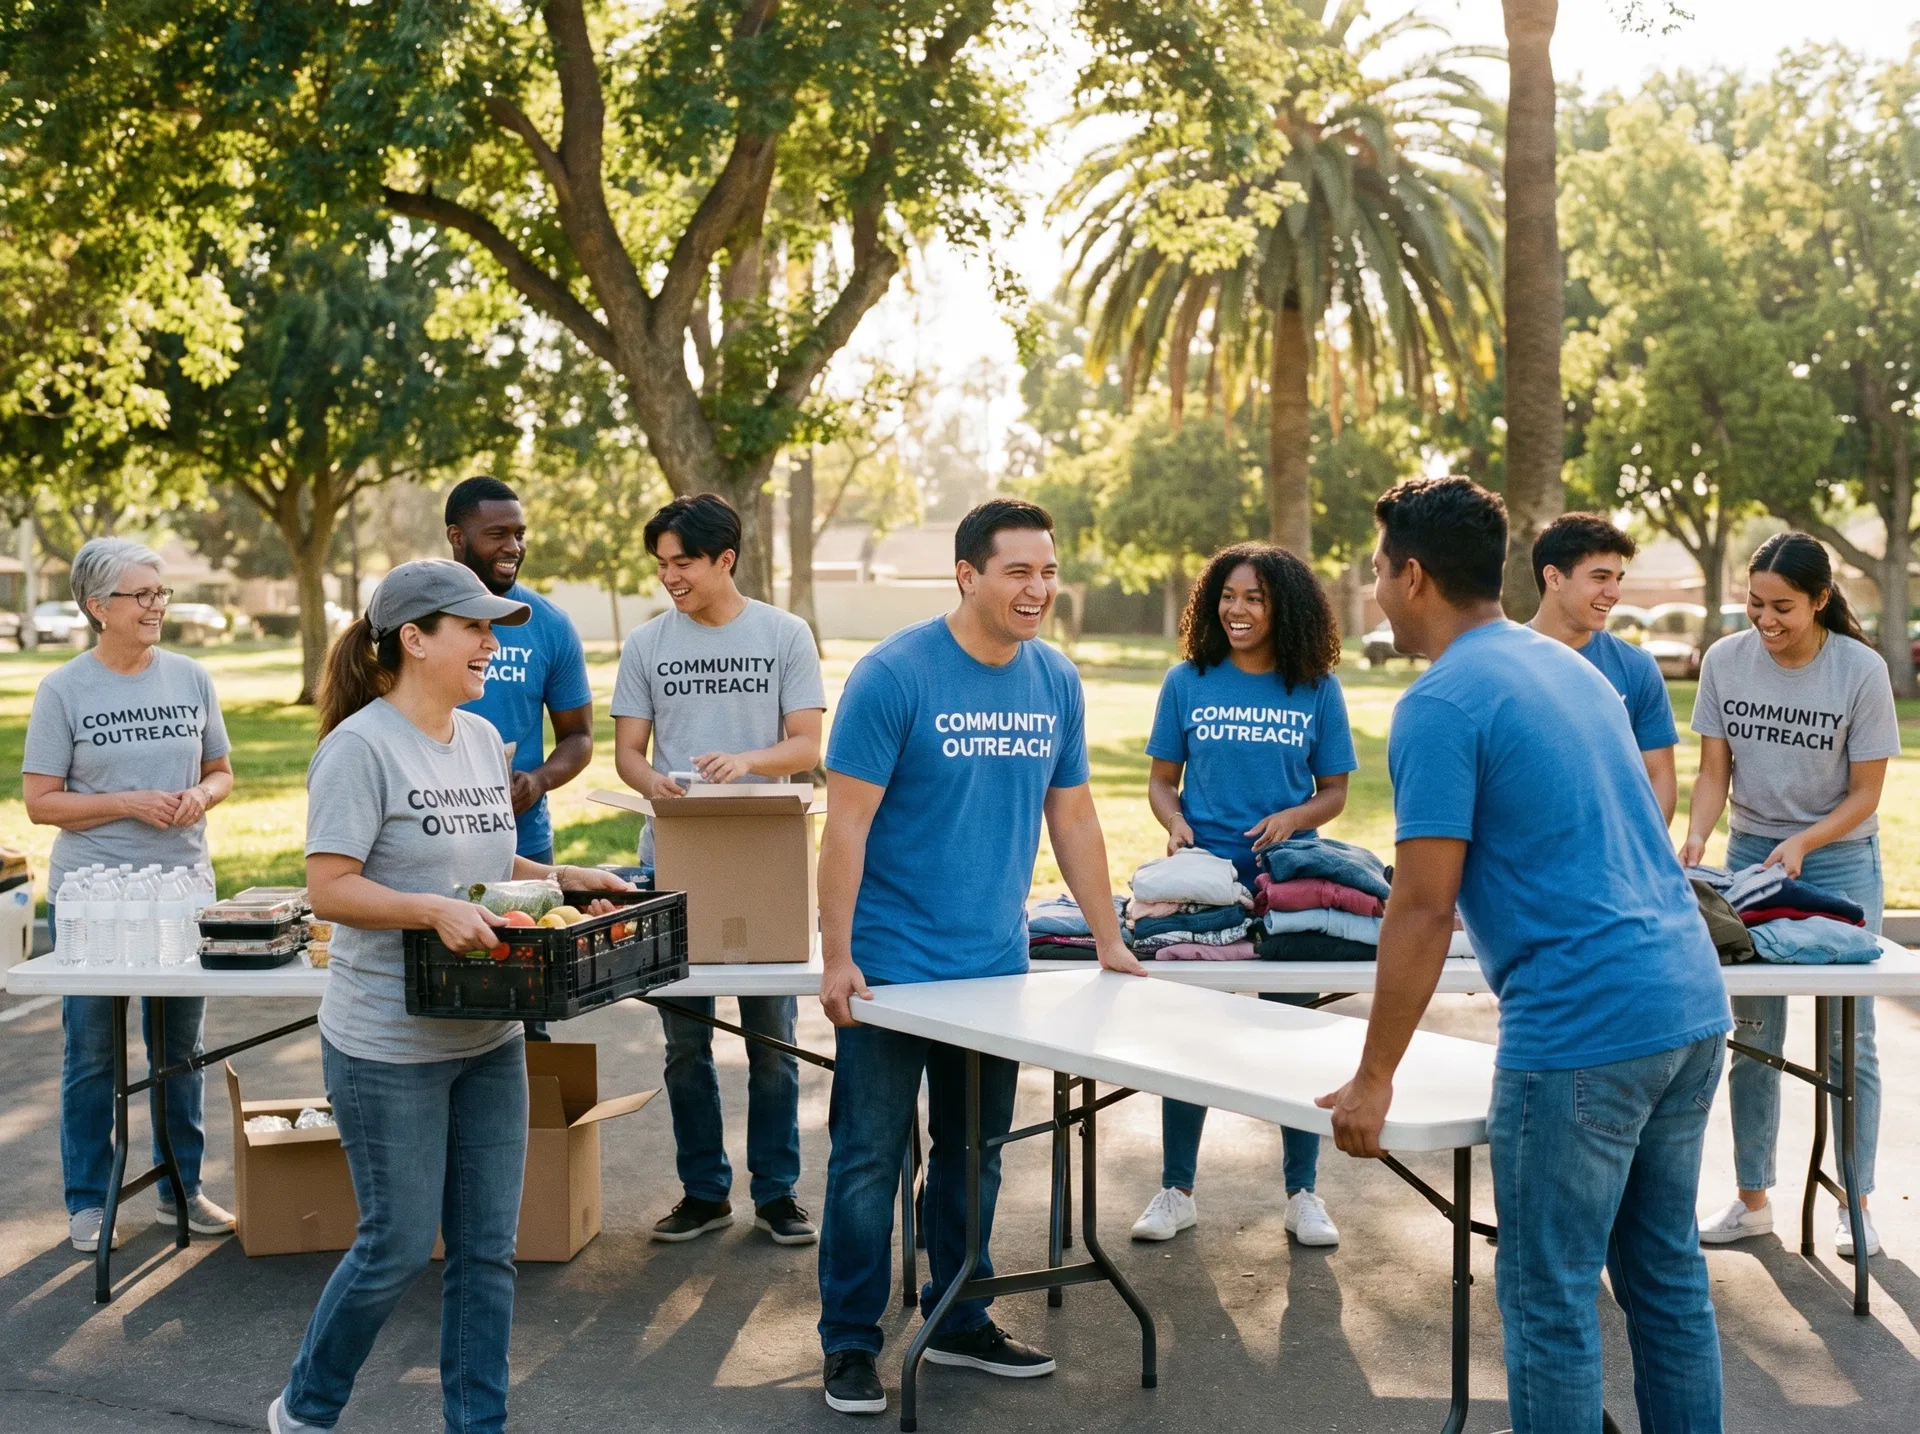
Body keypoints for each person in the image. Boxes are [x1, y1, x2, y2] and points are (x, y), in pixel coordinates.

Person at [1317, 478, 1731, 1434]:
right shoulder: (1570, 669)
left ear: (1412, 576)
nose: (1376, 590)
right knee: (1665, 1278)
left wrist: (1373, 1076)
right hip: (1688, 1004)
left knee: (1548, 1296)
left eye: (1378, 572)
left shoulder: (1442, 703)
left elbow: (1421, 909)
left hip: (1585, 1026)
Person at [272, 560, 627, 1434]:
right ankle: (306, 1410)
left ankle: (478, 1425)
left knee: (486, 1251)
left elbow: (485, 866)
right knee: (394, 1247)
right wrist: (427, 911)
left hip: (488, 1034)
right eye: (472, 627)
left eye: (492, 627)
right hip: (386, 1043)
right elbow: (330, 888)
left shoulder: (476, 738)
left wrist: (558, 875)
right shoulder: (357, 748)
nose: (491, 643)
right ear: (413, 640)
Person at [813, 498, 1145, 1417]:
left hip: (994, 968)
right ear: (967, 574)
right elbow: (845, 826)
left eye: (1048, 571)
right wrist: (835, 957)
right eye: (1018, 572)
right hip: (889, 969)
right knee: (869, 1160)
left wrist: (1108, 938)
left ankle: (958, 1316)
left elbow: (1071, 814)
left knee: (973, 1154)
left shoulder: (1055, 681)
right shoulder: (894, 676)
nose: (1039, 589)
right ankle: (848, 1343)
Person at [611, 493, 826, 1246]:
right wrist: (652, 783)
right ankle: (704, 1193)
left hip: (764, 856)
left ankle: (778, 1194)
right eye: (662, 564)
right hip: (675, 857)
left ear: (724, 560)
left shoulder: (783, 634)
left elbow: (807, 746)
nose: (670, 576)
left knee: (771, 1040)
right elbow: (629, 753)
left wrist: (747, 763)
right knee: (683, 1044)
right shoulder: (647, 644)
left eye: (683, 563)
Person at [1682, 532, 1900, 1257]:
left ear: (1821, 601)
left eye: (1783, 607)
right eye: (1755, 604)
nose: (1766, 620)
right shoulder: (1724, 660)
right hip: (1750, 861)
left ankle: (1856, 1203)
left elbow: (1868, 795)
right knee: (1753, 1036)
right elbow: (1715, 771)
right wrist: (1695, 840)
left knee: (1850, 1045)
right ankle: (1752, 1199)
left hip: (1837, 865)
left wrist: (1806, 842)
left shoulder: (1859, 671)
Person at [1131, 542, 1354, 1248]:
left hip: (1286, 888)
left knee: (1294, 1040)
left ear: (1282, 606)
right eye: (1228, 595)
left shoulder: (1315, 686)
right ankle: (1177, 1189)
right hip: (1204, 891)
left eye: (1255, 597)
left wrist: (1293, 818)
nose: (1238, 609)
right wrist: (1174, 822)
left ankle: (1303, 1193)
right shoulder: (1187, 680)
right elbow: (1163, 780)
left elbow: (1335, 792)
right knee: (1189, 1039)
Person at [22, 538, 237, 1252]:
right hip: (94, 900)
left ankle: (182, 1189)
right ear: (97, 608)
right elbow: (41, 803)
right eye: (140, 595)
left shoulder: (191, 677)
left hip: (181, 890)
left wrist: (202, 797)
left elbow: (221, 770)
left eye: (159, 593)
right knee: (93, 1053)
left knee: (181, 1048)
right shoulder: (64, 691)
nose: (155, 606)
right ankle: (89, 1199)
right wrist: (129, 803)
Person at [445, 476, 594, 1042]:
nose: (513, 546)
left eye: (520, 534)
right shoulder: (422, 621)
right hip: (436, 845)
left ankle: (537, 1132)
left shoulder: (548, 625)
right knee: (451, 1001)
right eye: (497, 534)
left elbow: (579, 737)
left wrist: (538, 780)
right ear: (457, 537)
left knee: (528, 1013)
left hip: (523, 847)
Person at [1528, 513, 1679, 823]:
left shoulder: (1637, 668)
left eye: (1617, 578)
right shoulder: (1501, 663)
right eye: (1600, 577)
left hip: (1612, 867)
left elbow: (1659, 779)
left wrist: (1639, 857)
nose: (1614, 593)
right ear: (1554, 578)